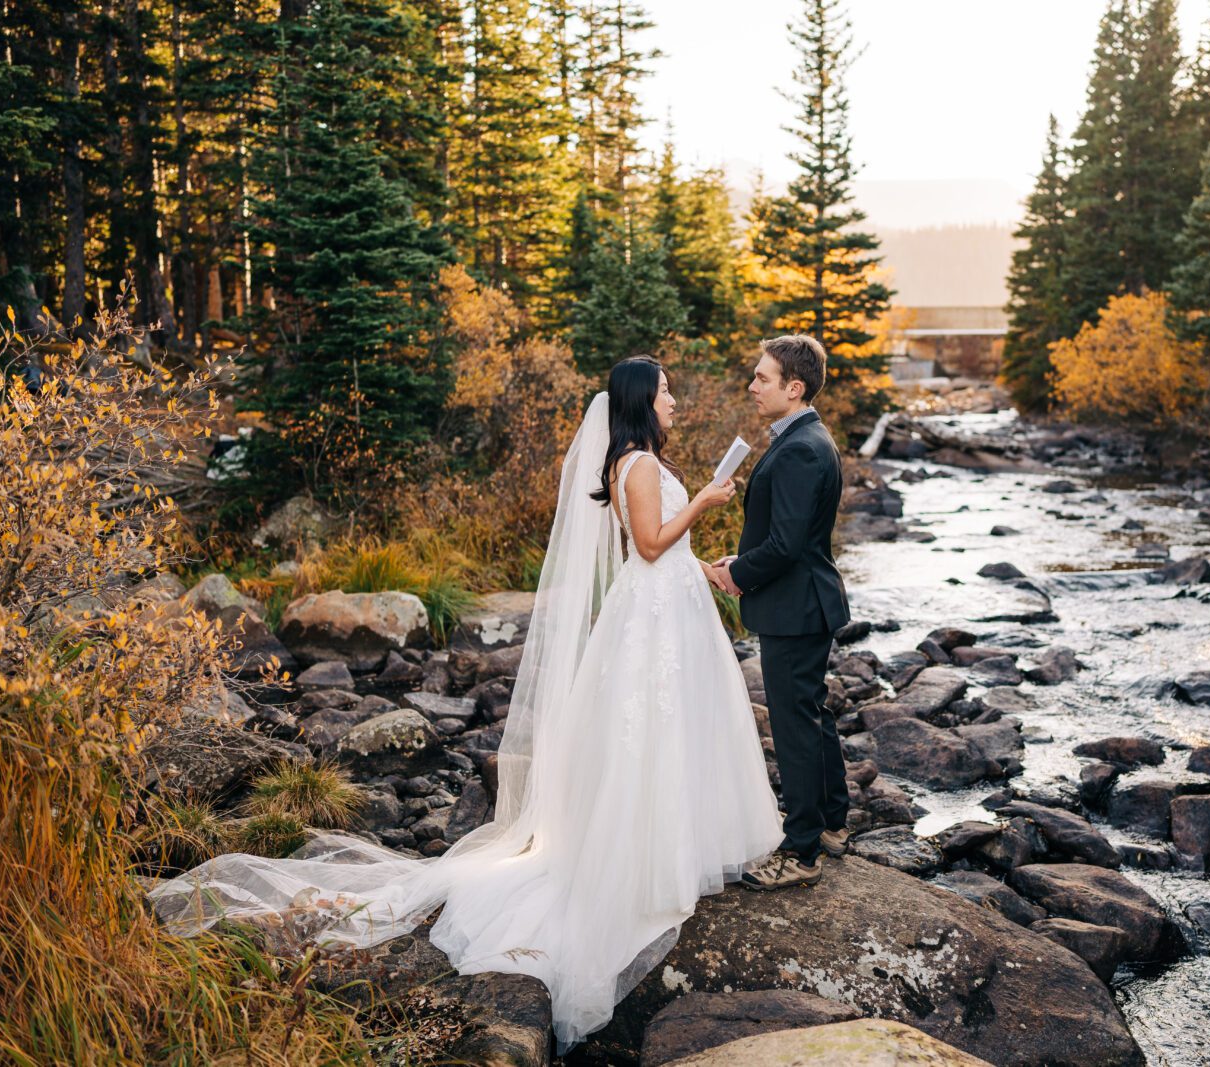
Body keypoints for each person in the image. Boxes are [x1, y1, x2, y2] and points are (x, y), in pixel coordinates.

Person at [145, 356, 784, 1054]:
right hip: (650, 618)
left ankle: (675, 849)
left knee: (672, 734)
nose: (674, 399)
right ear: (639, 400)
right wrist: (707, 502)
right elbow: (652, 545)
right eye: (665, 390)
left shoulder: (640, 461)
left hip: (673, 610)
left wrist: (711, 569)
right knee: (645, 737)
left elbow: (672, 550)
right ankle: (639, 865)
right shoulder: (631, 463)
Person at [708, 335, 852, 891]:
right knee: (812, 713)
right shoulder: (806, 437)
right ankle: (833, 822)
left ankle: (802, 853)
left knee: (795, 726)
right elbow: (791, 538)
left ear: (794, 388)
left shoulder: (799, 447)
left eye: (762, 378)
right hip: (805, 600)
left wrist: (736, 575)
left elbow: (788, 545)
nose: (752, 385)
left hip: (796, 607)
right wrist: (744, 559)